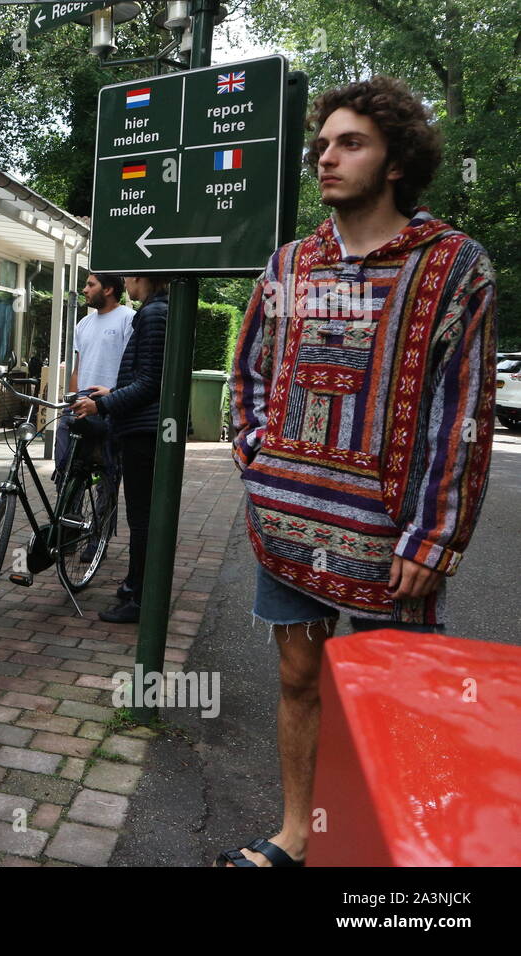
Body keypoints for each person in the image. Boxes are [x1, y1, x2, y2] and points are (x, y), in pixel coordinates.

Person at [221, 76, 496, 868]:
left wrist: (436, 535)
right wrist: (260, 463)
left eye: (351, 143)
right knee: (299, 679)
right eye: (322, 145)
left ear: (397, 161)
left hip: (391, 546)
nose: (327, 159)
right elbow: (248, 374)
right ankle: (297, 835)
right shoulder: (289, 264)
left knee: (393, 702)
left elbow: (464, 410)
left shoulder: (455, 268)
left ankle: (379, 856)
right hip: (288, 528)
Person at [72, 274, 168, 623]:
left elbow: (149, 383)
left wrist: (105, 405)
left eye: (129, 276)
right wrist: (110, 394)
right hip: (138, 425)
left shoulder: (153, 313)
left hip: (143, 430)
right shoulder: (152, 310)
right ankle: (133, 585)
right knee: (138, 515)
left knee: (141, 518)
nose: (127, 282)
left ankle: (139, 600)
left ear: (141, 278)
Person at [56, 273, 134, 482]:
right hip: (81, 401)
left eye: (91, 285)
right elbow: (77, 369)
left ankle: (103, 514)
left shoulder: (128, 318)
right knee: (69, 462)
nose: (85, 289)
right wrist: (71, 400)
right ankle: (68, 509)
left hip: (110, 402)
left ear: (107, 290)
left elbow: (131, 366)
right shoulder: (83, 323)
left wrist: (114, 395)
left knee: (107, 473)